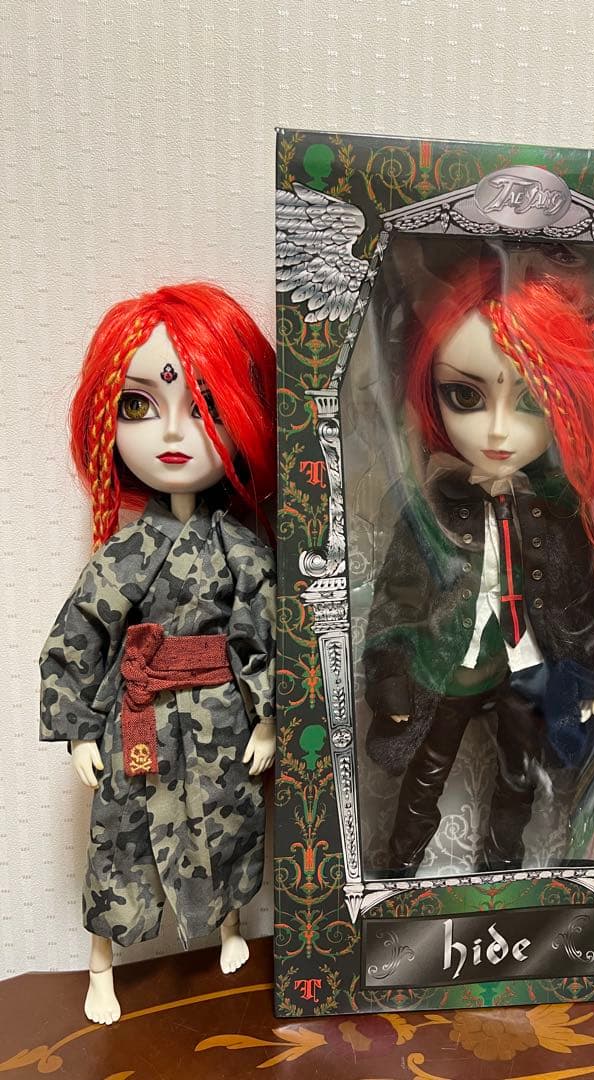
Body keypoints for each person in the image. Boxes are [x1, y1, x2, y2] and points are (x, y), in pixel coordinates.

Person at [363, 260, 594, 877]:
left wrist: (589, 679)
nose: (500, 431)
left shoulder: (556, 513)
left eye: (531, 400)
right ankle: (397, 871)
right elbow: (397, 595)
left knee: (520, 774)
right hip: (452, 659)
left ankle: (501, 871)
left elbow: (579, 599)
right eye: (466, 396)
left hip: (527, 663)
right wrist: (389, 672)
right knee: (425, 770)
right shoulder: (430, 507)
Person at [40, 282, 276, 1024]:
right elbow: (81, 631)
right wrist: (79, 729)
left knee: (229, 820)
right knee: (122, 833)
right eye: (139, 405)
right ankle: (101, 964)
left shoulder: (239, 547)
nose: (174, 431)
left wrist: (267, 717)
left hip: (220, 715)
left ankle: (230, 926)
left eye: (204, 405)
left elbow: (262, 630)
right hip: (138, 716)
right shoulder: (128, 549)